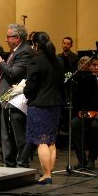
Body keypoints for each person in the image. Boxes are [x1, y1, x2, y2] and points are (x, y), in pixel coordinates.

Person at [23, 32, 66, 185]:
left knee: (42, 141)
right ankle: (49, 173)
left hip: (39, 105)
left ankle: (46, 174)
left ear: (35, 45)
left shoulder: (35, 61)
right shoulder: (59, 61)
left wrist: (25, 92)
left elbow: (31, 86)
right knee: (51, 141)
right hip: (55, 104)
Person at [0, 23, 35, 168]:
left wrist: (1, 62)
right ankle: (9, 164)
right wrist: (0, 65)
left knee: (18, 135)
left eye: (9, 36)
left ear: (17, 38)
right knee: (7, 136)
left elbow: (14, 73)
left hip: (16, 100)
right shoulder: (16, 50)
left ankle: (22, 165)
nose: (6, 39)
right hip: (8, 99)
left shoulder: (25, 51)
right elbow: (8, 72)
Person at [70, 54, 98, 170]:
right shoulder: (84, 80)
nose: (96, 68)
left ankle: (92, 159)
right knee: (74, 124)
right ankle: (82, 160)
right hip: (88, 113)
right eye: (94, 65)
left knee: (95, 125)